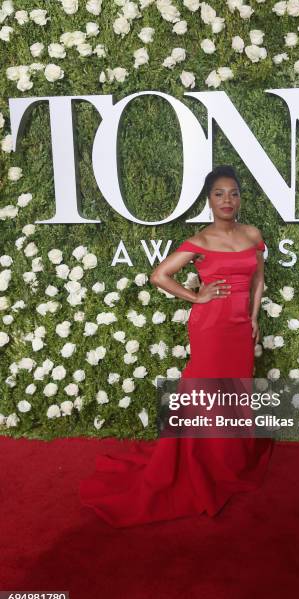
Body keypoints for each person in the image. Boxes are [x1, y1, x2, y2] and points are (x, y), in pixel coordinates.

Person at [79, 165, 274, 527]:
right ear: (209, 201)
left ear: (240, 198)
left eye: (233, 193)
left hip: (239, 328)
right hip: (211, 327)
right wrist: (196, 297)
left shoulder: (252, 234)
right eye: (219, 194)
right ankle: (198, 459)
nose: (227, 200)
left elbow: (259, 279)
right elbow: (159, 275)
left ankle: (229, 459)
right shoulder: (200, 240)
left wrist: (255, 317)